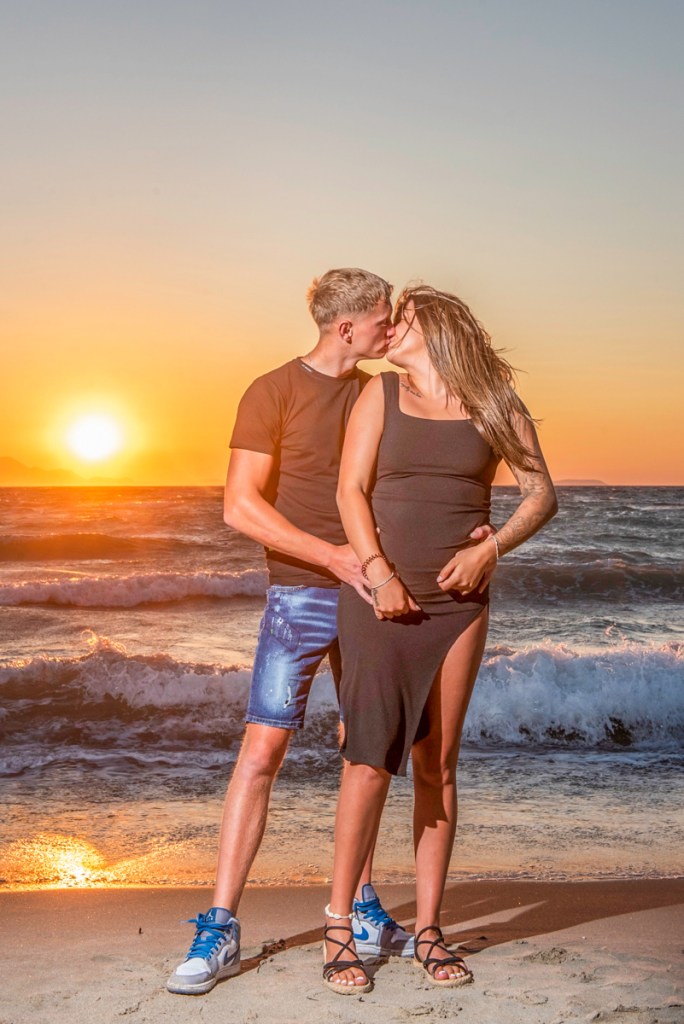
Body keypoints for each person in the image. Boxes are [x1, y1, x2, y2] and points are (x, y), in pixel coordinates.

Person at [167, 268, 421, 995]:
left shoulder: (383, 392)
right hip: (303, 595)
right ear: (348, 328)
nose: (389, 330)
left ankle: (362, 909)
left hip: (372, 593)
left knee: (364, 746)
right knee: (263, 748)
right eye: (381, 320)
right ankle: (220, 925)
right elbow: (240, 507)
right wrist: (333, 557)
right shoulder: (272, 389)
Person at [322, 284, 558, 995]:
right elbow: (349, 492)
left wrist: (495, 549)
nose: (391, 326)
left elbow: (542, 491)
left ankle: (428, 929)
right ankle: (340, 927)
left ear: (440, 327)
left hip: (461, 605)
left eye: (406, 317)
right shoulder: (381, 398)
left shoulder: (495, 405)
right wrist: (378, 571)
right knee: (367, 760)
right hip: (380, 601)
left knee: (439, 765)